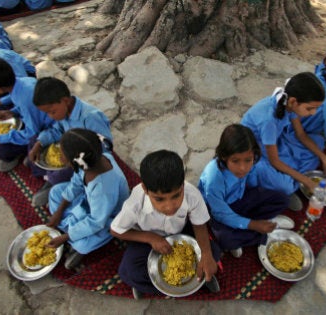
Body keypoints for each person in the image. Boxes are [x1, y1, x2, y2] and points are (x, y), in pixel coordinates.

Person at [110, 150, 220, 299]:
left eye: (176, 196)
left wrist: (206, 254)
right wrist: (151, 238)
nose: (169, 207)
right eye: (159, 199)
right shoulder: (135, 204)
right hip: (147, 237)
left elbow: (199, 224)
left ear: (182, 185)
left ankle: (203, 278)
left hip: (181, 230)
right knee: (130, 270)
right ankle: (144, 286)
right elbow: (116, 230)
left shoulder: (192, 194)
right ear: (145, 189)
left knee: (213, 251)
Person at [198, 124, 290, 258]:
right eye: (235, 161)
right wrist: (252, 224)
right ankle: (262, 231)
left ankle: (255, 227)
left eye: (248, 160)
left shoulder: (250, 164)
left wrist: (257, 199)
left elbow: (252, 185)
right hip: (217, 211)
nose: (243, 168)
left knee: (282, 199)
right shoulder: (214, 177)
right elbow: (219, 212)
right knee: (226, 239)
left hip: (240, 199)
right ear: (224, 157)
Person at [44, 128, 129, 270]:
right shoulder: (89, 164)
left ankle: (72, 235)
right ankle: (70, 226)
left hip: (107, 216)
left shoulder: (103, 188)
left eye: (63, 155)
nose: (60, 158)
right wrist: (59, 211)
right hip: (90, 200)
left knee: (82, 245)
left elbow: (97, 221)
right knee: (55, 192)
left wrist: (65, 237)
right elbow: (76, 184)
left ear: (77, 161)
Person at [241, 72, 325, 211]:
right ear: (293, 101)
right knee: (283, 186)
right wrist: (306, 181)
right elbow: (274, 161)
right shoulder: (269, 120)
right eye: (310, 108)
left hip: (274, 144)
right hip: (255, 155)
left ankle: (292, 178)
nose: (313, 113)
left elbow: (301, 134)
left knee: (318, 142)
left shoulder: (288, 105)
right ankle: (289, 184)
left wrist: (324, 157)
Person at [27, 77, 113, 207]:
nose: (51, 116)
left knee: (61, 174)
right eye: (47, 113)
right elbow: (57, 130)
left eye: (52, 112)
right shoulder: (63, 113)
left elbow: (105, 146)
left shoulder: (90, 117)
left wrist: (74, 157)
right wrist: (39, 144)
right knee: (34, 140)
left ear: (65, 101)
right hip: (68, 149)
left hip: (87, 159)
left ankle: (54, 182)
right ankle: (50, 176)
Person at [0, 56, 53, 172]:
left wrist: (1, 138)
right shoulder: (22, 82)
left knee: (3, 151)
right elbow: (25, 109)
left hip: (46, 129)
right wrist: (12, 112)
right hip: (32, 118)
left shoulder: (25, 98)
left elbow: (32, 133)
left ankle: (21, 154)